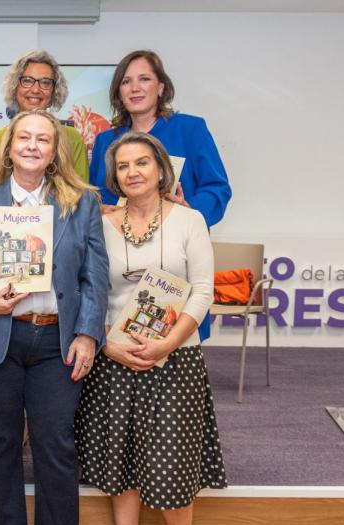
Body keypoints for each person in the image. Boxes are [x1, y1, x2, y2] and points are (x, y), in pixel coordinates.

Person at [0, 110, 108, 525]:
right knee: (0, 442)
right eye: (25, 137)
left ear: (55, 150)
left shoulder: (81, 202)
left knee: (54, 442)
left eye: (43, 139)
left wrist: (88, 334)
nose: (33, 146)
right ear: (10, 145)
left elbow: (94, 275)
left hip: (57, 340)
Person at [76, 131, 227, 525]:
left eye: (142, 162)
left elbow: (203, 291)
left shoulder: (190, 220)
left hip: (176, 359)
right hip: (115, 359)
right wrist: (106, 343)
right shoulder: (101, 223)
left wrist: (167, 343)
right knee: (119, 455)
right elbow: (90, 290)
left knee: (172, 458)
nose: (132, 172)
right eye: (122, 166)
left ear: (161, 169)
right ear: (113, 177)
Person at [88, 49, 232, 341]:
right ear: (118, 91)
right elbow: (96, 197)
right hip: (120, 263)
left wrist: (187, 209)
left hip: (173, 260)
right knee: (117, 342)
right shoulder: (105, 140)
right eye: (126, 81)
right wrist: (98, 210)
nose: (135, 88)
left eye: (144, 79)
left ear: (161, 87)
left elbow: (217, 189)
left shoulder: (190, 129)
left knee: (174, 343)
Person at [0, 50, 89, 183]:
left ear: (54, 91)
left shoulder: (72, 138)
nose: (35, 90)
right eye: (27, 81)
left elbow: (80, 191)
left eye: (45, 83)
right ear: (14, 87)